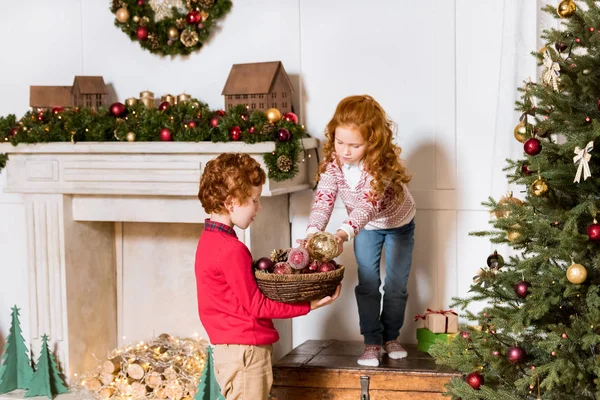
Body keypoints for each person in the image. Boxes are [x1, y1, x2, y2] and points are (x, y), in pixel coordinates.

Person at [196, 153, 341, 399]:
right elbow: (258, 306)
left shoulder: (208, 241)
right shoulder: (231, 249)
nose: (259, 207)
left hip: (229, 350)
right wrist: (307, 305)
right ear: (231, 202)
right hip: (246, 353)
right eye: (254, 200)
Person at [305, 95, 416, 367]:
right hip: (363, 228)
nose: (345, 151)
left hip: (397, 224)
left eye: (354, 145)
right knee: (367, 284)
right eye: (339, 141)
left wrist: (342, 233)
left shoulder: (382, 165)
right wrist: (312, 232)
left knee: (396, 285)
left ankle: (390, 337)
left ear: (373, 142)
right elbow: (325, 198)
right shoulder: (335, 162)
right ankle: (372, 342)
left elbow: (367, 205)